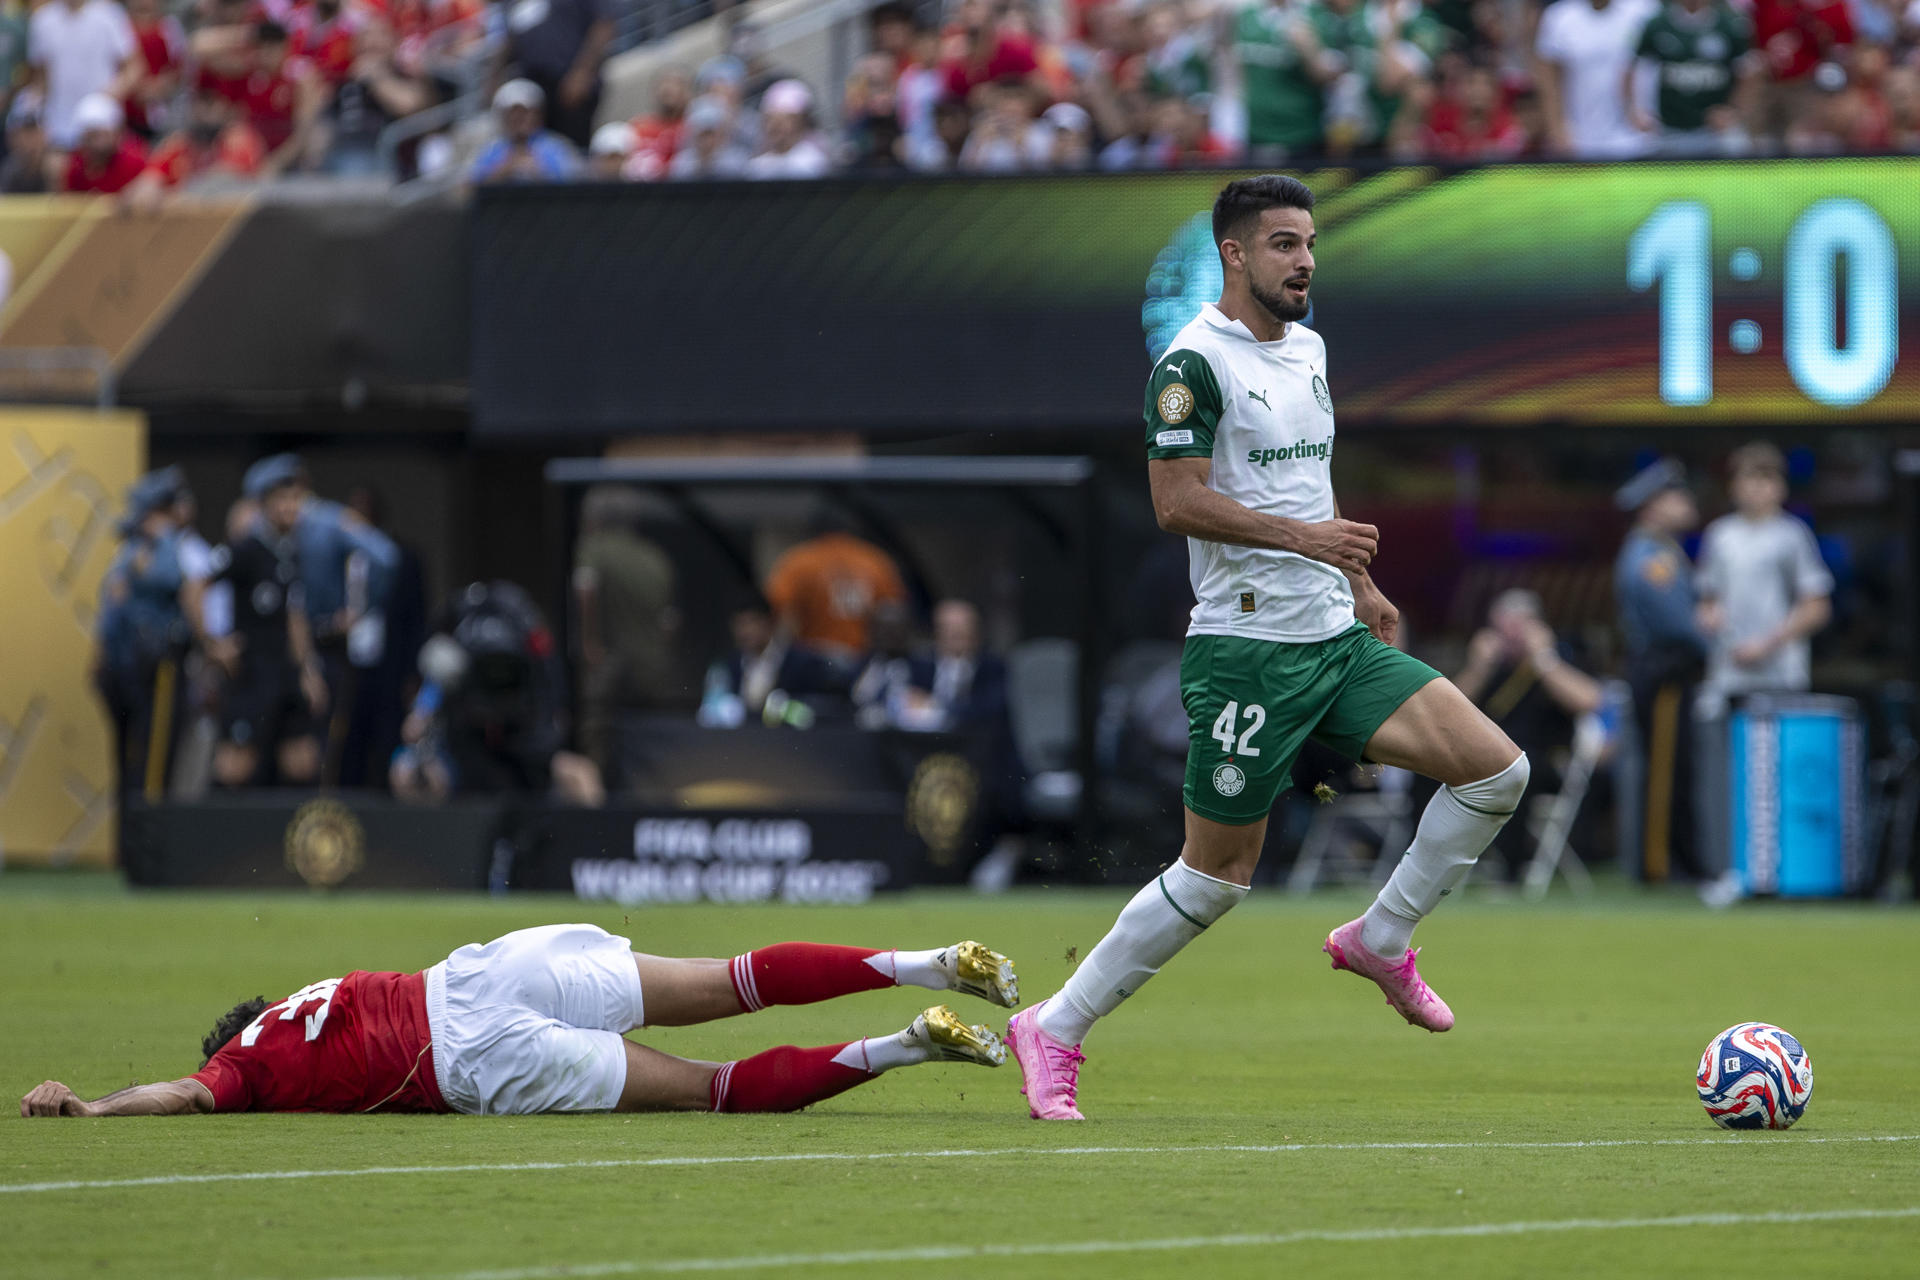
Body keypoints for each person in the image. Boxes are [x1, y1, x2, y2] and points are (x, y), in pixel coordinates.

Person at [1006, 176, 1529, 1121]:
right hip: (1246, 651)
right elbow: (1177, 502)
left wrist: (1359, 583)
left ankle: (1380, 937)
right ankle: (1055, 1026)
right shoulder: (1190, 363)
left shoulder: (1312, 348)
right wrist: (1313, 546)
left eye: (1312, 243)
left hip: (1333, 637)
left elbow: (1310, 486)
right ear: (1236, 254)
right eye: (1285, 244)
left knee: (1497, 772)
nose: (1306, 262)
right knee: (1214, 880)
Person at [20, 925, 1017, 1117]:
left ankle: (904, 1041)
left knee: (706, 1087)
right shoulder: (302, 996)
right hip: (492, 963)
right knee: (732, 975)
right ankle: (919, 960)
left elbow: (190, 1090)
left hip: (471, 1053)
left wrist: (97, 1108)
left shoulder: (246, 1066)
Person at [239, 454, 399, 783]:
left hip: (311, 649)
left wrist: (362, 609)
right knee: (277, 754)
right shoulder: (269, 529)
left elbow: (384, 557)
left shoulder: (328, 521)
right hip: (282, 652)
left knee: (309, 756)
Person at [1452, 589, 1604, 877]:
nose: (1510, 638)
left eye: (1517, 629)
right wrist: (1478, 667)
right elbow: (1447, 709)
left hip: (1543, 762)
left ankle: (1510, 872)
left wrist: (1544, 658)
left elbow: (1590, 700)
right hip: (1485, 759)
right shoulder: (1493, 668)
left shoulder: (1558, 658)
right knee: (1430, 769)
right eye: (1502, 629)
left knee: (1517, 769)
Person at [1612, 456, 1706, 882]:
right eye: (1676, 496)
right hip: (1664, 668)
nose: (1686, 503)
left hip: (1669, 669)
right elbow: (1679, 625)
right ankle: (1663, 865)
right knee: (1666, 771)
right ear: (1652, 506)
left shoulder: (1664, 552)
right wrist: (1713, 637)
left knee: (1675, 767)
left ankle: (1673, 861)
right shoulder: (1651, 557)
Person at [212, 459, 328, 787]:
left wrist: (308, 670)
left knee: (302, 762)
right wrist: (212, 643)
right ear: (265, 505)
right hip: (250, 673)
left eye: (296, 500)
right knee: (236, 766)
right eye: (283, 500)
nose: (291, 508)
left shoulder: (292, 552)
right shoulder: (246, 549)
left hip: (285, 672)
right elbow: (197, 585)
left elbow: (295, 615)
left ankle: (287, 837)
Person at [1695, 443, 1833, 704]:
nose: (1756, 487)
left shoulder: (1793, 535)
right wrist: (1708, 615)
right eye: (1749, 478)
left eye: (1766, 478)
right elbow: (1707, 599)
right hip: (1728, 673)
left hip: (1780, 675)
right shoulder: (1719, 534)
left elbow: (1817, 607)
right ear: (1733, 486)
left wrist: (1767, 645)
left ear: (1781, 487)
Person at [572, 485, 678, 779]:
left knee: (596, 733)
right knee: (649, 734)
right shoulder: (655, 557)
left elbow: (585, 591)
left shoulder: (594, 548)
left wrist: (589, 641)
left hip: (610, 661)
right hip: (653, 665)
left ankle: (594, 804)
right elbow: (669, 622)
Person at [763, 513, 907, 664]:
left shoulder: (799, 561)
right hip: (862, 658)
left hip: (814, 658)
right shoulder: (875, 560)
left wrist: (779, 660)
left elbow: (784, 616)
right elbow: (894, 611)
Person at [1626, 0, 1759, 154]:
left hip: (1714, 131)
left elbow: (1750, 73)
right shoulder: (1657, 25)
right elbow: (1632, 68)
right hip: (1670, 128)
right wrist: (1636, 111)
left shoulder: (1730, 25)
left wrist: (1732, 111)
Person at [1533, 0, 1657, 158]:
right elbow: (1548, 81)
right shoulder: (1559, 17)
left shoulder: (1645, 11)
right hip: (1580, 141)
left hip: (1638, 140)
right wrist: (1557, 129)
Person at [498, 0, 613, 148]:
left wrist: (582, 72)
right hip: (535, 89)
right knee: (537, 149)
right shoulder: (514, 4)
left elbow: (604, 24)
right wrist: (495, 78)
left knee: (575, 146)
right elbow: (509, 41)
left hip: (571, 80)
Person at [25, 0, 136, 153]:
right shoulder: (42, 20)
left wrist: (103, 98)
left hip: (101, 129)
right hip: (58, 128)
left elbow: (133, 68)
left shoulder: (109, 13)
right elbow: (40, 78)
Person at [470, 78, 578, 182]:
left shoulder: (556, 147)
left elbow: (575, 182)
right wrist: (504, 170)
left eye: (528, 112)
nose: (522, 118)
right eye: (515, 112)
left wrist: (541, 173)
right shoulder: (492, 148)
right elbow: (468, 188)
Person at [59, 91, 145, 192]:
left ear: (116, 134)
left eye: (101, 135)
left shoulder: (135, 164)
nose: (96, 144)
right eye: (91, 136)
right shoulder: (73, 168)